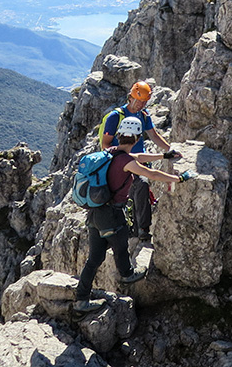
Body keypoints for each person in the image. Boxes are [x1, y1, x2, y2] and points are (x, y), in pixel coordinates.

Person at [74, 116, 192, 314]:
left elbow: (139, 158)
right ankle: (127, 274)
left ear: (119, 135)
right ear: (137, 139)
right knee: (120, 243)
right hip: (111, 214)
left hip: (95, 213)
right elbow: (151, 174)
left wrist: (164, 156)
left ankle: (81, 301)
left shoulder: (112, 152)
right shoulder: (126, 161)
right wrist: (178, 178)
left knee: (94, 259)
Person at [100, 80, 179, 242]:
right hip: (121, 163)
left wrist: (170, 150)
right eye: (139, 101)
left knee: (142, 186)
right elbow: (105, 144)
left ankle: (142, 229)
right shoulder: (116, 117)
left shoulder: (143, 115)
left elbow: (154, 135)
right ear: (130, 97)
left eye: (144, 102)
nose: (141, 105)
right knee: (131, 191)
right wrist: (119, 160)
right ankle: (127, 228)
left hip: (138, 161)